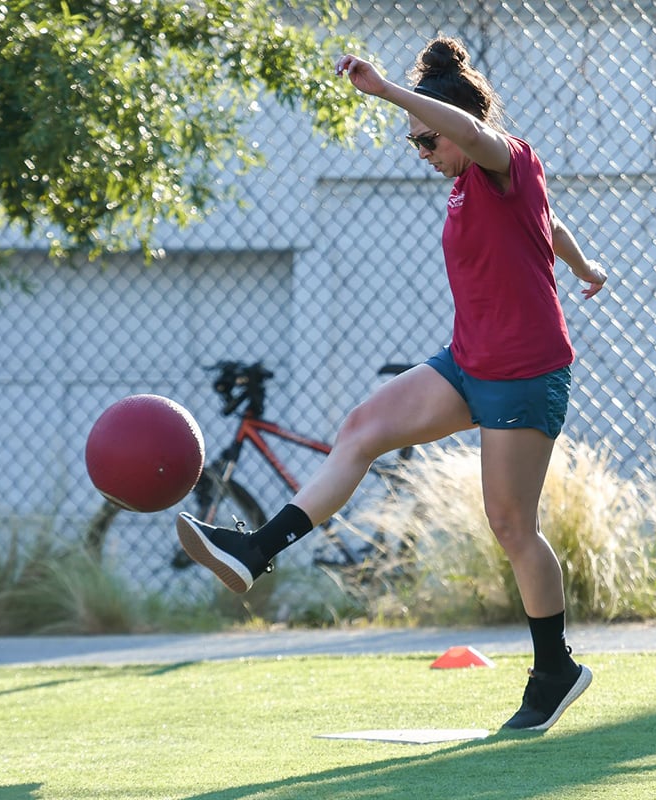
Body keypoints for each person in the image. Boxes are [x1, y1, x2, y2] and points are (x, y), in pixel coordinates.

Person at [177, 36, 608, 732]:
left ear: (463, 127)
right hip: (468, 362)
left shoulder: (506, 155)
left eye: (427, 141)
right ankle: (256, 551)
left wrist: (385, 92)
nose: (425, 154)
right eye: (414, 146)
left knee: (511, 525)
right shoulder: (475, 183)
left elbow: (475, 135)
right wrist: (586, 268)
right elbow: (546, 221)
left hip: (527, 371)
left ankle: (555, 668)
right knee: (360, 429)